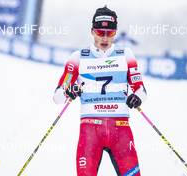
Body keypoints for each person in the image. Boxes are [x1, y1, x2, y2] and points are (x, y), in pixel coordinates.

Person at [53, 6, 147, 176]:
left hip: (120, 130)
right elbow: (57, 97)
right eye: (99, 32)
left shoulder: (125, 55)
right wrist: (69, 91)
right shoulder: (78, 57)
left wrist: (136, 97)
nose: (104, 38)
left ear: (115, 33)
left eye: (109, 33)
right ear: (92, 31)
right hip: (90, 132)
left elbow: (141, 90)